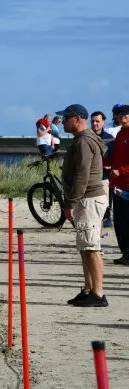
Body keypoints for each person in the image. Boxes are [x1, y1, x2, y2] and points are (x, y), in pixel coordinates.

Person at [57, 104, 109, 307]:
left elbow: (83, 175)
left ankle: (98, 294)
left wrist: (71, 203)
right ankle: (88, 289)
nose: (62, 122)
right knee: (84, 247)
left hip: (88, 199)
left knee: (91, 246)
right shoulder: (82, 139)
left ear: (77, 119)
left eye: (66, 118)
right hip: (85, 199)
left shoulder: (84, 141)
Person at [105, 103, 129, 266]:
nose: (122, 120)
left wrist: (121, 170)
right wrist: (103, 162)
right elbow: (115, 157)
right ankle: (125, 253)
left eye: (125, 116)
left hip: (127, 183)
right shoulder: (120, 134)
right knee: (119, 221)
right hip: (117, 185)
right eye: (120, 117)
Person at [91, 111, 115, 229]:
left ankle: (106, 219)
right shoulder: (86, 137)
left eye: (97, 121)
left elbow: (115, 156)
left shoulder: (110, 139)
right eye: (92, 121)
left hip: (104, 176)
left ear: (103, 122)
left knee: (105, 200)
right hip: (89, 176)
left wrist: (111, 166)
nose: (94, 123)